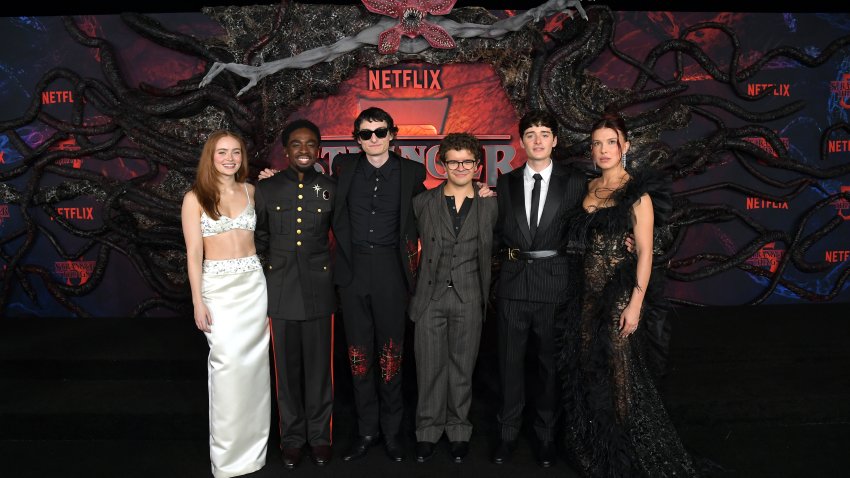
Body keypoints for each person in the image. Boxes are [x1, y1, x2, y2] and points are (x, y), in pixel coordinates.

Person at [558, 112, 697, 476]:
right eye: (596, 143)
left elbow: (647, 253)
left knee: (619, 373)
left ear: (625, 147)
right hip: (585, 294)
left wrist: (635, 304)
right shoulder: (588, 188)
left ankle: (623, 455)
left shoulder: (637, 193)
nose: (603, 150)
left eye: (610, 142)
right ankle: (599, 446)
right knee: (589, 369)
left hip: (618, 295)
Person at [491, 110, 587, 467]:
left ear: (555, 140)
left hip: (554, 285)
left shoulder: (575, 182)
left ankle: (546, 437)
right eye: (530, 134)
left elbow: (586, 226)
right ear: (521, 141)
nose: (537, 140)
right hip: (513, 285)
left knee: (549, 367)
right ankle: (506, 435)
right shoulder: (505, 182)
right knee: (508, 365)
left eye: (545, 133)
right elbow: (498, 231)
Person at [332, 107, 426, 463]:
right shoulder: (343, 168)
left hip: (391, 270)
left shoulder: (413, 172)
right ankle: (366, 431)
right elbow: (313, 187)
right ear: (357, 138)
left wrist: (478, 192)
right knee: (358, 357)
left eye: (380, 132)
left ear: (392, 134)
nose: (374, 139)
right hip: (352, 270)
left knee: (391, 356)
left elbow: (435, 205)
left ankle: (391, 433)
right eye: (366, 134)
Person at [180, 130, 270, 478]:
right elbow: (193, 254)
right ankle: (228, 458)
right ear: (210, 157)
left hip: (253, 286)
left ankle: (254, 452)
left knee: (255, 370)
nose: (230, 158)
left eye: (235, 152)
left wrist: (276, 180)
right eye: (222, 153)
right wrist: (196, 301)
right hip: (218, 288)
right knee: (228, 367)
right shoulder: (195, 197)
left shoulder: (252, 191)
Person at [408, 133, 498, 464]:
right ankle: (427, 431)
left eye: (467, 161)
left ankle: (459, 428)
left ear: (477, 166)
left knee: (462, 368)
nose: (461, 167)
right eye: (453, 161)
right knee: (429, 368)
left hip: (470, 297)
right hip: (429, 298)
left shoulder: (490, 203)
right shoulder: (423, 203)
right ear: (441, 164)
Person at [254, 119, 336, 470]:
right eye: (297, 144)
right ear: (285, 150)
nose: (304, 150)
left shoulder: (332, 188)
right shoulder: (267, 190)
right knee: (285, 373)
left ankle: (320, 437)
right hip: (281, 290)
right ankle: (291, 439)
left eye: (311, 144)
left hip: (319, 290)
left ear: (319, 150)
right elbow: (257, 239)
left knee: (320, 371)